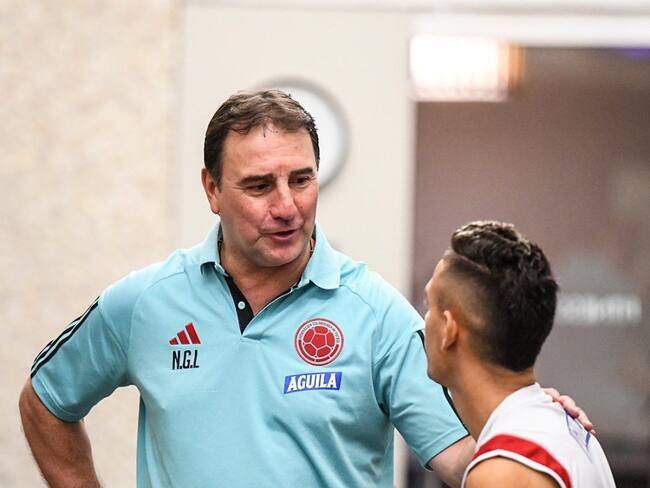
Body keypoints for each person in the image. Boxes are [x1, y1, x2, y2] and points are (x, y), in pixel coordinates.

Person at [19, 90, 588, 488]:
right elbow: (45, 401)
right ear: (212, 189)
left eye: (302, 179)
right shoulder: (145, 302)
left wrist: (531, 428)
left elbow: (463, 457)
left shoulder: (376, 314)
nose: (287, 206)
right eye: (259, 186)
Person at [423, 221, 616, 487]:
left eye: (429, 305)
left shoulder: (503, 471)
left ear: (449, 329)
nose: (424, 321)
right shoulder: (564, 426)